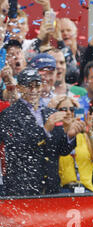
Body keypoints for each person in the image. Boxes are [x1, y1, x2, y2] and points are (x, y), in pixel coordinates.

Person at [0, 68, 83, 196]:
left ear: (42, 86)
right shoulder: (9, 115)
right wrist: (45, 130)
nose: (33, 90)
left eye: (37, 85)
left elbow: (61, 150)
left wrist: (70, 136)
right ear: (19, 88)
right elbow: (18, 147)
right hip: (22, 187)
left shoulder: (50, 113)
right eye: (29, 86)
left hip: (50, 186)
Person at [56, 96, 93, 193]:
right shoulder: (54, 137)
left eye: (72, 109)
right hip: (62, 192)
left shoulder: (84, 136)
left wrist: (90, 132)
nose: (69, 112)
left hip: (86, 191)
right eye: (63, 109)